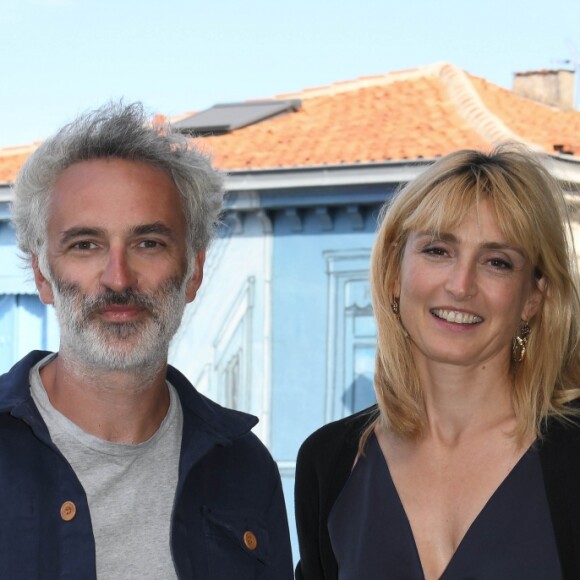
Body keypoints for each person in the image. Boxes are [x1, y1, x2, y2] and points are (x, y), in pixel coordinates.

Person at [0, 102, 293, 579]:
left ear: (193, 271)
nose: (118, 279)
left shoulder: (245, 470)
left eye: (148, 243)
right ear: (41, 275)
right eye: (86, 244)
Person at [294, 146, 580, 580]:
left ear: (533, 298)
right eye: (438, 251)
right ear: (394, 272)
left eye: (497, 262)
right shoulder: (329, 463)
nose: (461, 285)